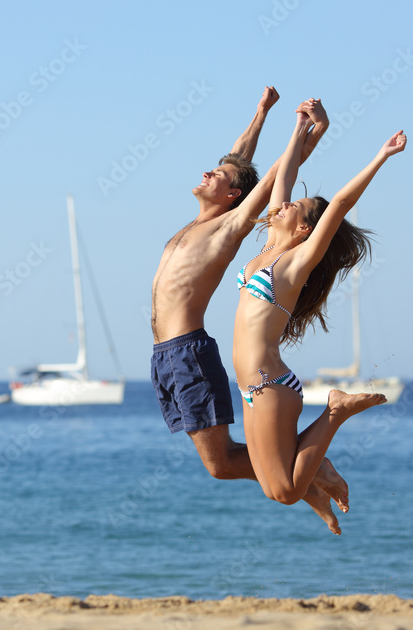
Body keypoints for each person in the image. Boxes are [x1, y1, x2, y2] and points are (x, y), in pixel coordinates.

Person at [150, 87, 350, 534]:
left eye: (217, 175)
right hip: (163, 355)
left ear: (234, 195)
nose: (207, 172)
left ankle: (311, 469)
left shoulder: (231, 225)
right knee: (218, 465)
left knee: (221, 465)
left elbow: (280, 171)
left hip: (187, 352)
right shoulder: (197, 222)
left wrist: (311, 130)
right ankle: (306, 469)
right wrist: (260, 113)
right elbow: (237, 158)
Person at [233, 99, 406, 509]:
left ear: (306, 228)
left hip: (271, 384)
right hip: (250, 384)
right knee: (271, 487)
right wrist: (299, 125)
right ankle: (322, 470)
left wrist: (381, 156)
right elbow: (287, 173)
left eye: (298, 207)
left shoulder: (296, 262)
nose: (286, 203)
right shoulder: (271, 247)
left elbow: (341, 205)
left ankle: (336, 411)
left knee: (285, 492)